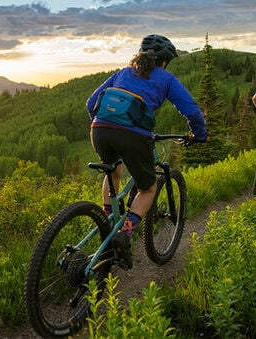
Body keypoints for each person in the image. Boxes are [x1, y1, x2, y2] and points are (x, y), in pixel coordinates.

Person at [86, 34, 208, 269]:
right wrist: (199, 134)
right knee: (148, 188)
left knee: (112, 172)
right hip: (133, 135)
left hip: (99, 129)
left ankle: (106, 222)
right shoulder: (167, 78)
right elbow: (191, 110)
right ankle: (125, 234)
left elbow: (91, 103)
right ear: (164, 60)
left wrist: (104, 123)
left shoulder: (122, 73)